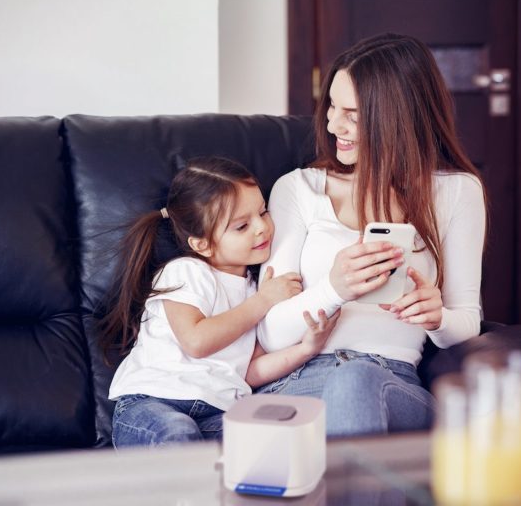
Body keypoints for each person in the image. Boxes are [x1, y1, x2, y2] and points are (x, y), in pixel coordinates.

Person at [257, 33, 487, 437]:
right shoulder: (297, 189)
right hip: (298, 380)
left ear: (396, 117)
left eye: (352, 114)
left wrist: (437, 318)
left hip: (389, 382)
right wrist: (334, 288)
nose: (332, 125)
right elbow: (271, 333)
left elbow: (466, 322)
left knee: (355, 381)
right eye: (331, 105)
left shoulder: (457, 192)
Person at [99, 156, 340, 447]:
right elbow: (196, 341)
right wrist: (263, 301)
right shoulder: (186, 272)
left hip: (216, 413)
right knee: (177, 433)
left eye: (263, 213)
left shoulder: (255, 288)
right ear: (202, 244)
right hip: (153, 405)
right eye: (242, 226)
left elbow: (248, 372)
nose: (262, 228)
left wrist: (306, 349)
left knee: (270, 442)